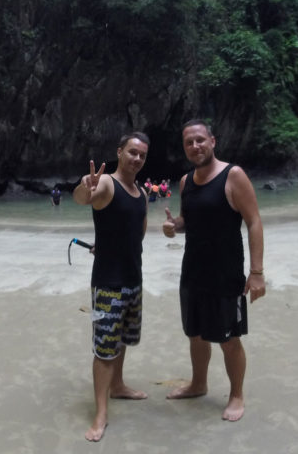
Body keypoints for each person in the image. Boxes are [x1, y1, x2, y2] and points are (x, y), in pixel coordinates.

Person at [162, 119, 265, 422]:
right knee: (195, 334)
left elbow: (254, 222)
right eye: (188, 143)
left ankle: (236, 395)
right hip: (192, 271)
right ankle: (198, 384)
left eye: (200, 140)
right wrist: (174, 226)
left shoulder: (233, 176)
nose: (195, 146)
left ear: (212, 141)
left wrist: (257, 272)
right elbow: (188, 220)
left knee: (228, 338)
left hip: (226, 273)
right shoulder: (185, 182)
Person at [72, 132, 151, 442]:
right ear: (120, 152)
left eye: (142, 155)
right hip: (108, 283)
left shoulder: (142, 194)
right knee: (105, 350)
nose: (136, 158)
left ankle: (118, 386)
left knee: (121, 341)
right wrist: (84, 188)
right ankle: (101, 412)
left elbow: (137, 236)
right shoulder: (106, 184)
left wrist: (107, 244)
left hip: (134, 279)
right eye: (132, 152)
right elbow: (83, 198)